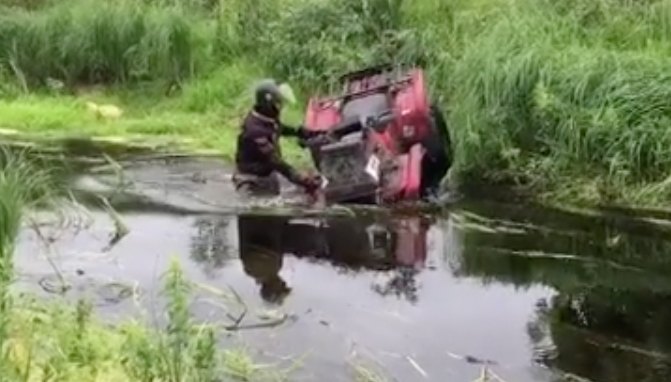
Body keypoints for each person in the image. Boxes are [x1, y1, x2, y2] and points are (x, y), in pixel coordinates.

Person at [233, 79, 322, 196]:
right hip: (250, 180)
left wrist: (304, 132)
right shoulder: (254, 130)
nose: (281, 107)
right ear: (269, 104)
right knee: (258, 210)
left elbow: (279, 128)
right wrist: (301, 178)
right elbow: (274, 160)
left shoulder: (266, 118)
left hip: (267, 174)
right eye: (279, 103)